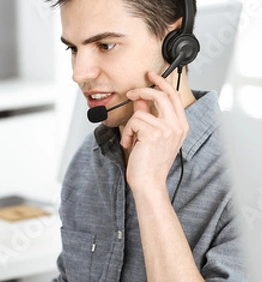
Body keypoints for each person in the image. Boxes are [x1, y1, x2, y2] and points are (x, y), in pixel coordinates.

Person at [49, 0, 248, 281]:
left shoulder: (249, 175)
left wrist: (150, 188)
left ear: (176, 42)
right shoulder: (88, 160)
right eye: (73, 48)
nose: (79, 73)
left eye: (105, 45)